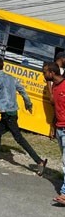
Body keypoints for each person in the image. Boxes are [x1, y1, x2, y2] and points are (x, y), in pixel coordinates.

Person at [0, 55, 47, 174]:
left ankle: (39, 161)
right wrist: (28, 103)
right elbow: (22, 90)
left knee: (19, 138)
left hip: (7, 113)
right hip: (12, 112)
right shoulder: (11, 78)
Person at [42, 62, 65, 204]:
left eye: (45, 72)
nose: (43, 75)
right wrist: (53, 126)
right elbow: (54, 105)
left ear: (52, 72)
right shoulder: (55, 87)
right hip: (59, 128)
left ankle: (64, 193)